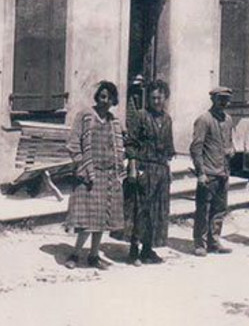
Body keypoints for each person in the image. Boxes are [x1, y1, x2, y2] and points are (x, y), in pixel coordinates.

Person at [65, 80, 125, 269]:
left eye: (109, 98)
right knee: (86, 220)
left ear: (114, 100)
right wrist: (82, 166)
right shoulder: (84, 116)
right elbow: (74, 143)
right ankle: (75, 254)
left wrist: (118, 171)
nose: (105, 101)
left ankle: (93, 255)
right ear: (97, 97)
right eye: (102, 97)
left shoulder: (114, 121)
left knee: (101, 220)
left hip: (107, 175)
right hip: (88, 173)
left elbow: (119, 148)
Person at [125, 79, 176, 265]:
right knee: (141, 209)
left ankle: (148, 249)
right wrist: (132, 169)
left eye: (159, 98)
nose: (156, 101)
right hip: (144, 167)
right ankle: (133, 250)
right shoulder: (140, 116)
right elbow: (131, 143)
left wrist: (167, 170)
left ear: (165, 98)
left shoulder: (167, 119)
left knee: (156, 211)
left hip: (161, 169)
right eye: (153, 98)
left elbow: (169, 147)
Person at [190, 85, 235, 256]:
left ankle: (214, 241)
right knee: (203, 209)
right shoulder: (204, 120)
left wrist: (232, 150)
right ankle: (200, 244)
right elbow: (196, 147)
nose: (224, 102)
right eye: (220, 98)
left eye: (226, 99)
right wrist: (200, 172)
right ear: (213, 99)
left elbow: (230, 141)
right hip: (208, 173)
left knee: (219, 209)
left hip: (223, 171)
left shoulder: (228, 119)